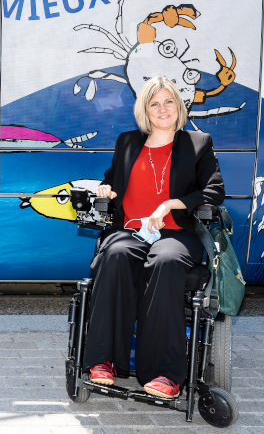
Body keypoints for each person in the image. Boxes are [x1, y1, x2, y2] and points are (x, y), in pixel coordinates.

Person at [83, 76, 224, 398]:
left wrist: (173, 204)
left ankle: (165, 372)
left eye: (168, 101)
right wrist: (106, 190)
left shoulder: (198, 143)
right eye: (154, 103)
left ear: (179, 105)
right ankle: (104, 360)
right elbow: (111, 182)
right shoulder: (128, 142)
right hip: (132, 229)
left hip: (176, 232)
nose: (163, 109)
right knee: (116, 255)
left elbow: (213, 191)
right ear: (145, 109)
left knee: (166, 260)